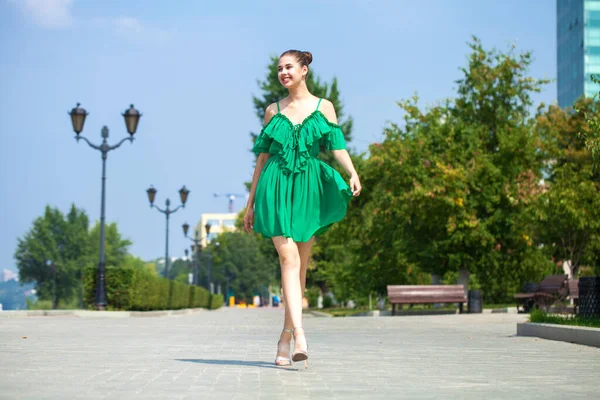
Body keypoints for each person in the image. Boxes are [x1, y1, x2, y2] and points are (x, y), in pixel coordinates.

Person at [244, 49, 362, 368]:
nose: (283, 72)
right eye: (279, 68)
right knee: (288, 257)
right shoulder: (273, 111)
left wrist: (352, 172)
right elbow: (262, 158)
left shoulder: (325, 108)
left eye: (289, 67)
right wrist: (250, 203)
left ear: (304, 70)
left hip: (308, 188)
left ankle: (284, 338)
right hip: (276, 186)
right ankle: (300, 333)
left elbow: (337, 146)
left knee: (301, 268)